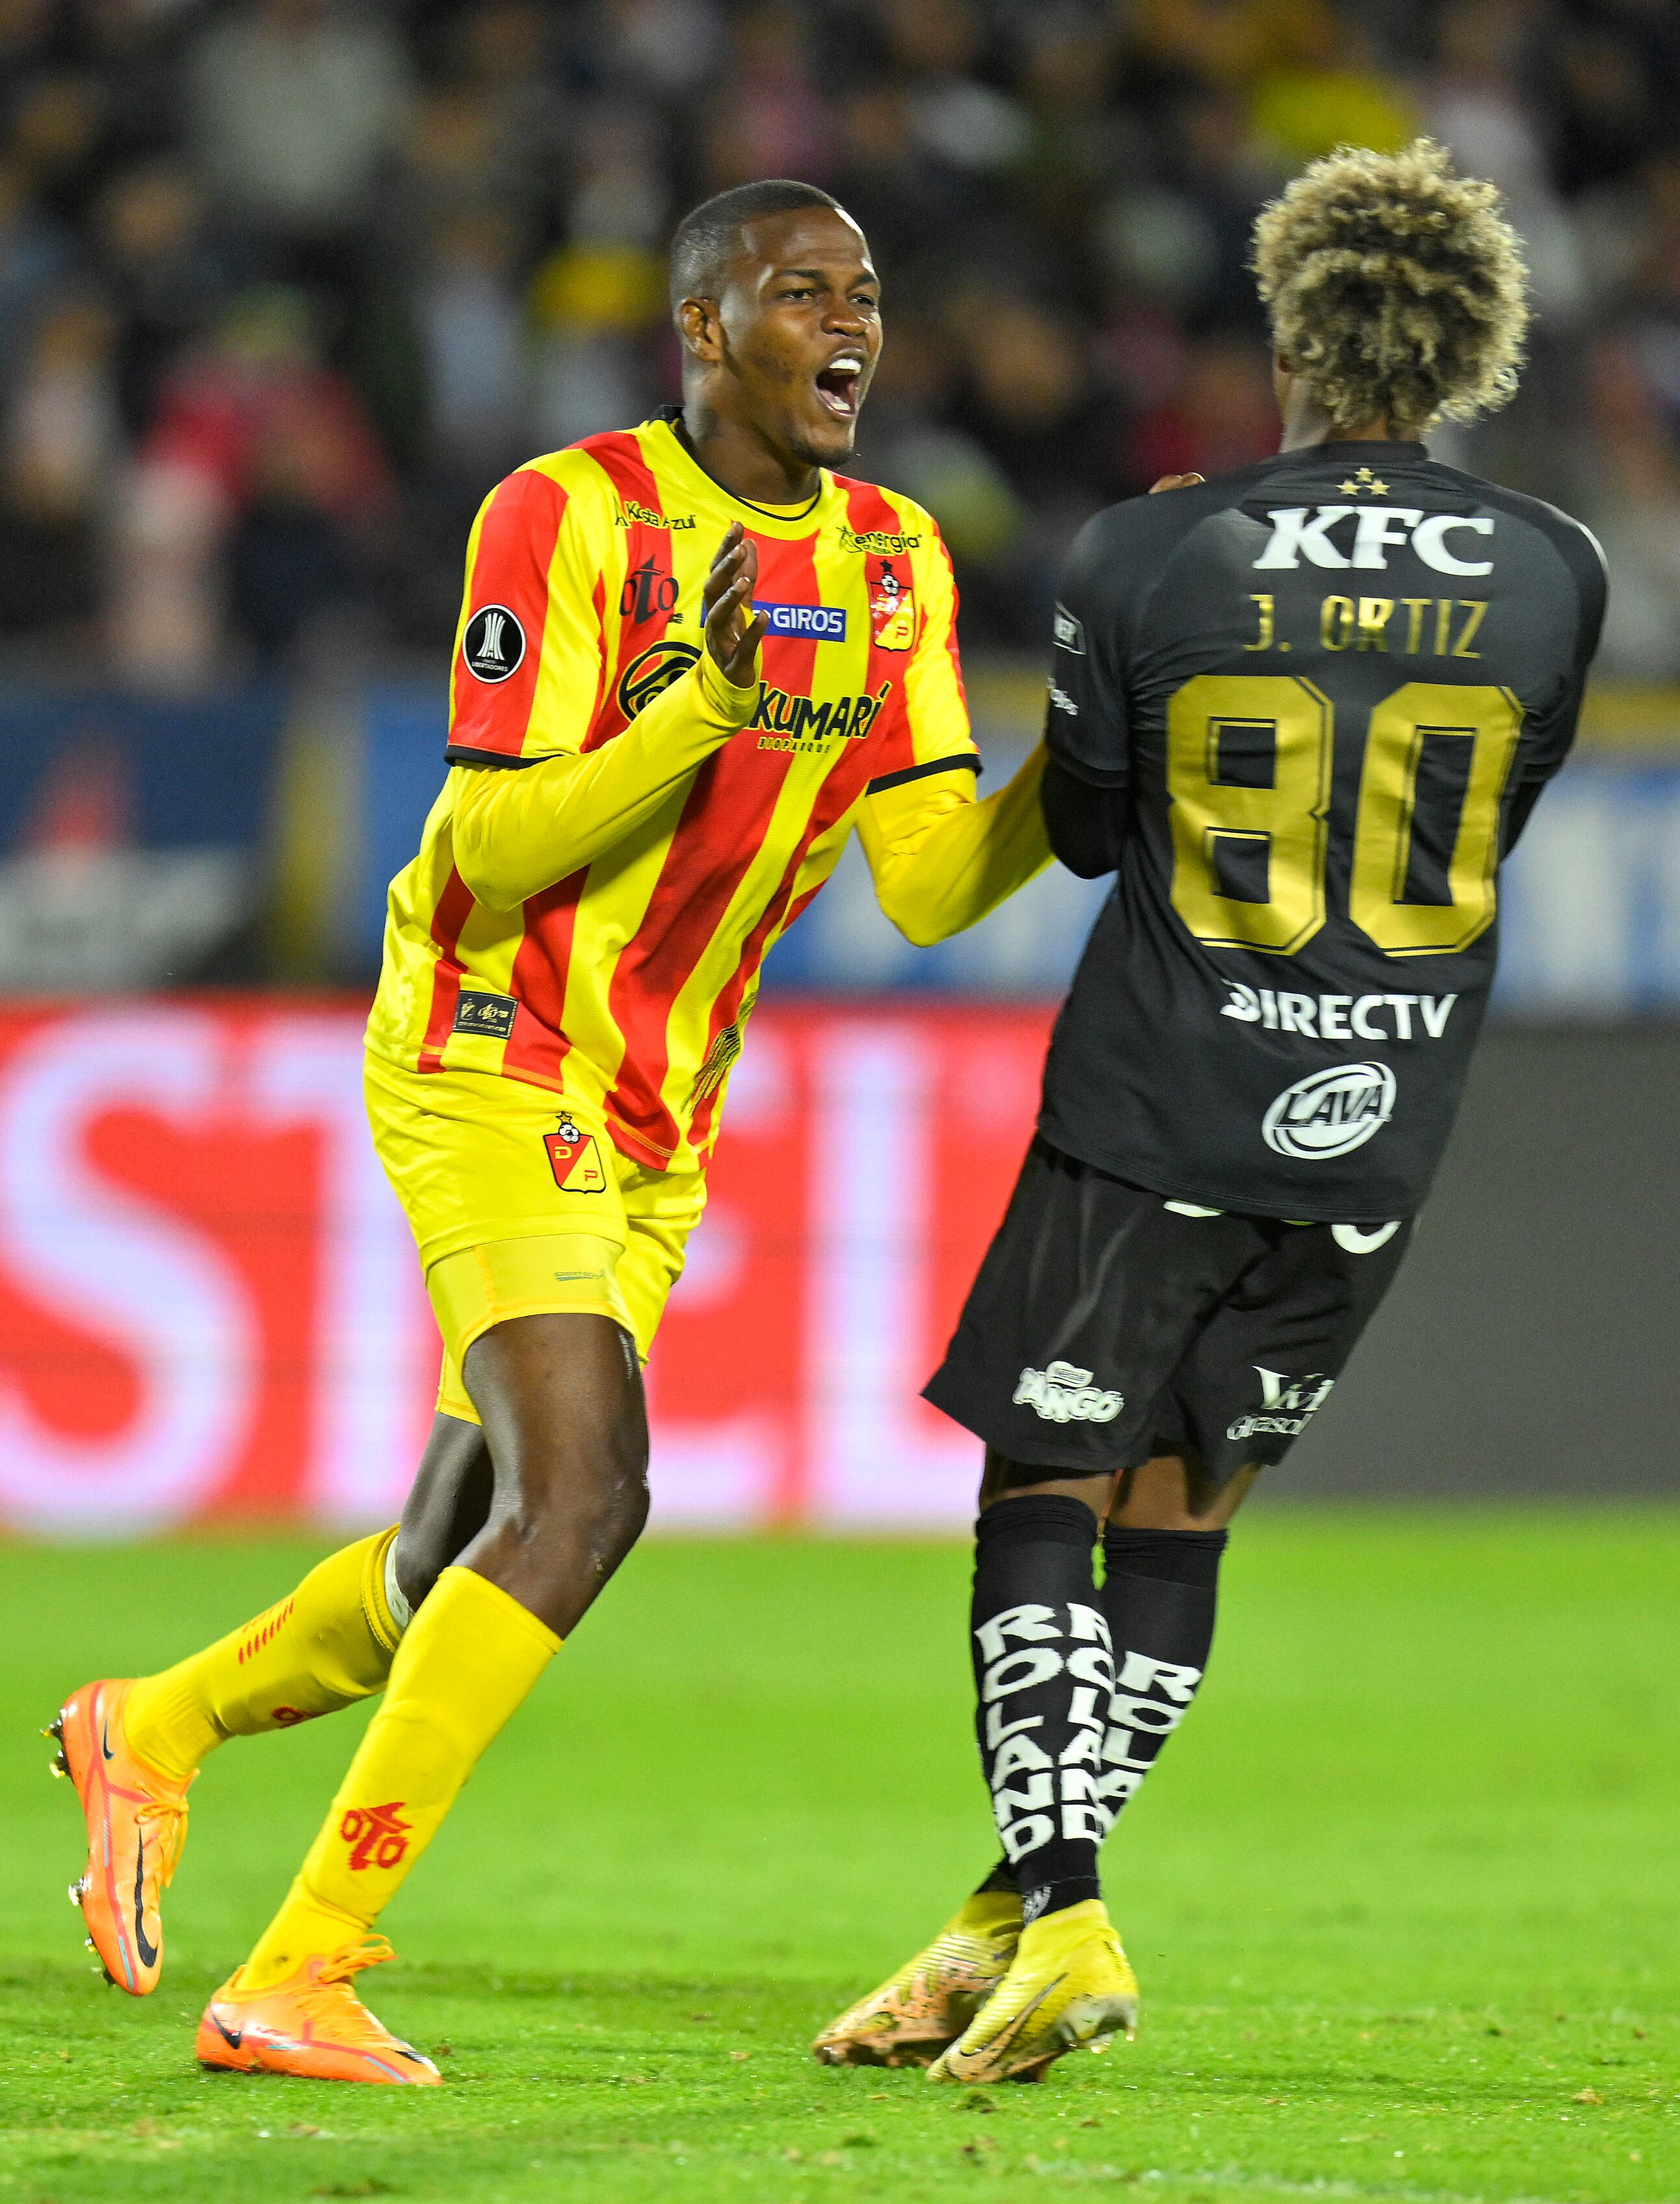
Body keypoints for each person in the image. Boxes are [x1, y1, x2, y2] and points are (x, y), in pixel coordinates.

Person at [49, 178, 1051, 2085]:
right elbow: (488, 839)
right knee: (585, 1494)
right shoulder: (565, 515)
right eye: (803, 290)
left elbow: (925, 880)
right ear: (703, 322)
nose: (853, 324)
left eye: (870, 294)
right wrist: (699, 710)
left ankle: (150, 1725)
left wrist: (1085, 778)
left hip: (658, 1109)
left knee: (453, 1555)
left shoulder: (898, 558)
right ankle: (300, 1969)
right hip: (491, 1040)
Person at [816, 139, 1607, 2087]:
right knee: (1186, 1517)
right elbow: (1492, 813)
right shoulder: (1559, 571)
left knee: (1046, 1494)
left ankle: (1066, 1905)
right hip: (1380, 1120)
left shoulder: (1154, 549)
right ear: (1473, 348)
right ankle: (1009, 1911)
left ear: (1291, 334)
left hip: (1164, 1097)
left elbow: (1085, 830)